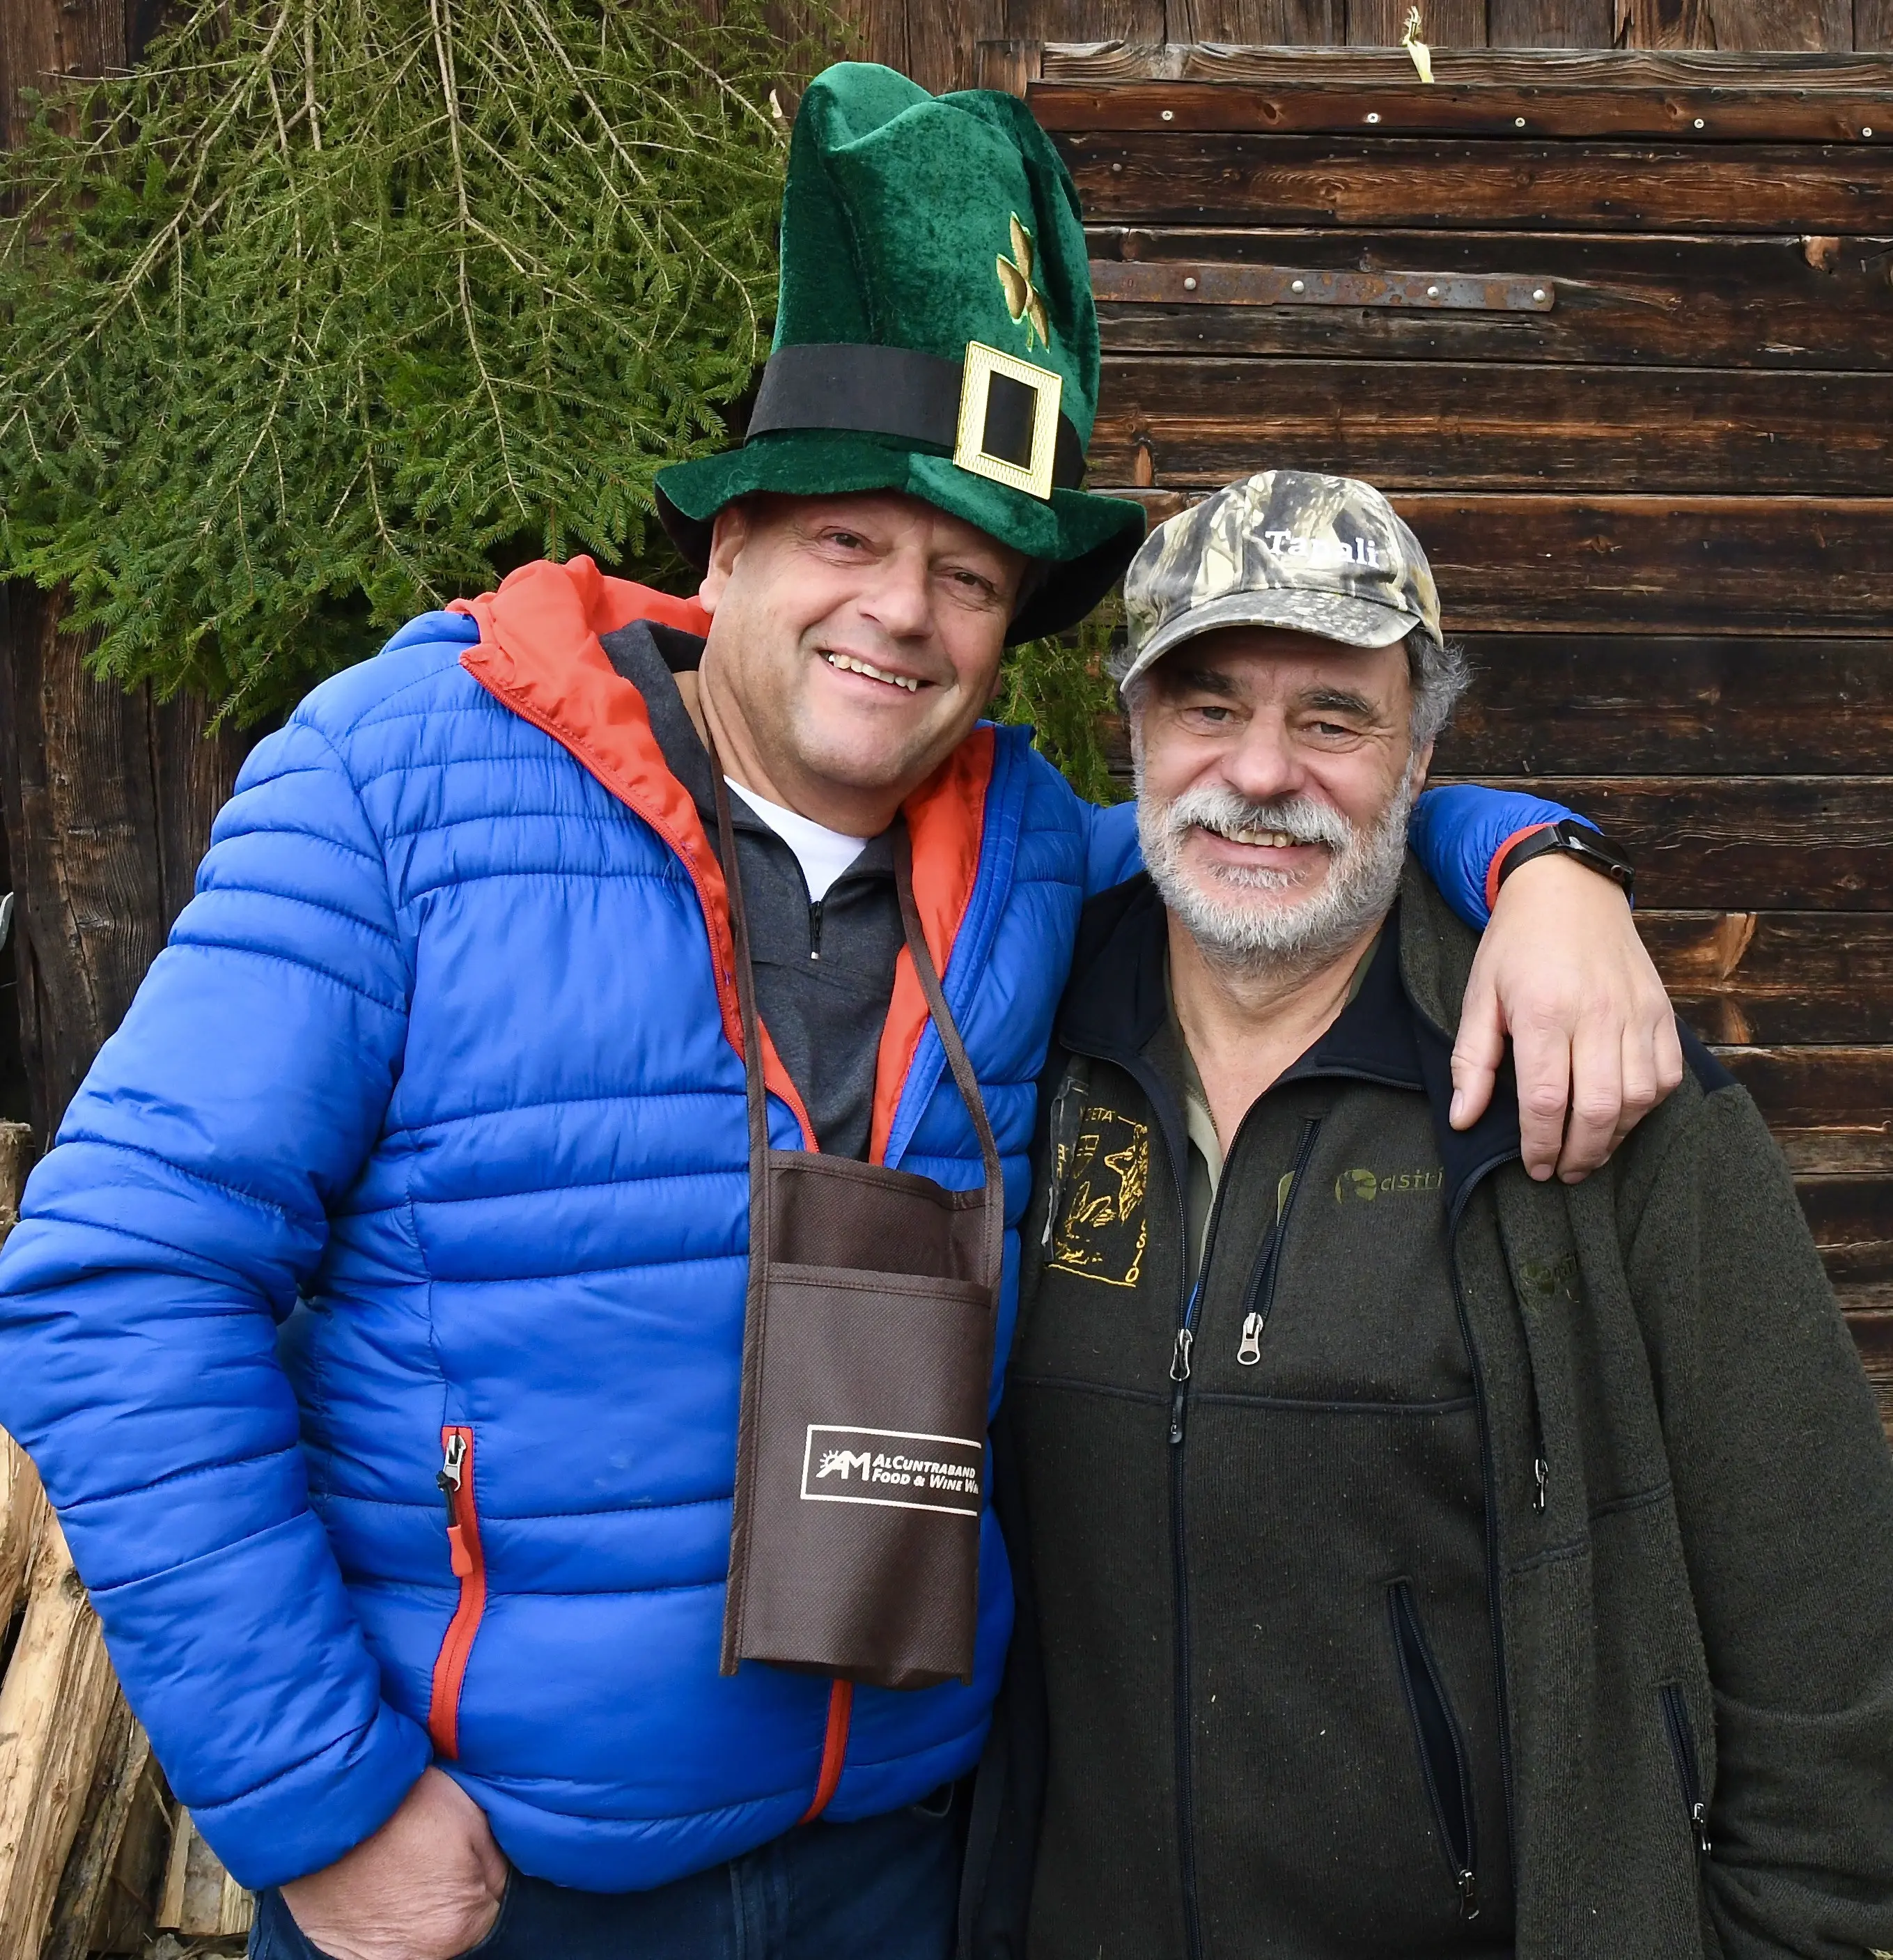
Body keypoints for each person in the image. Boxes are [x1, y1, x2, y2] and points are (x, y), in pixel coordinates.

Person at [0, 72, 1673, 1960]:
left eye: (967, 575)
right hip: (493, 1883)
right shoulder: (399, 783)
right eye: (850, 544)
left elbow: (1267, 818)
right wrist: (319, 1795)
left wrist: (1533, 858)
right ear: (723, 553)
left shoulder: (1024, 846)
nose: (904, 612)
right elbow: (119, 1277)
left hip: (900, 1866)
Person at [963, 470, 1893, 1960]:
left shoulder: (1590, 1083)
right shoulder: (1019, 1036)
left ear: (1421, 748)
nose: (1261, 773)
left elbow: (1822, 1621)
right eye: (1207, 706)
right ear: (1133, 727)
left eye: (1333, 716)